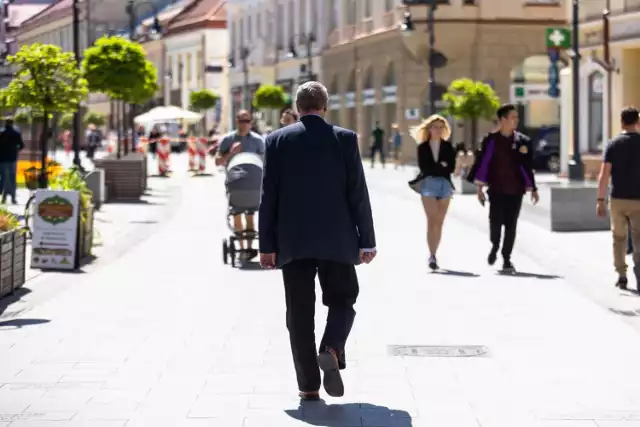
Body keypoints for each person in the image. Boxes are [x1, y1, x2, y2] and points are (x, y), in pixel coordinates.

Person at [259, 81, 376, 401]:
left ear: (297, 108)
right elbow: (358, 194)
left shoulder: (276, 140)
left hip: (291, 241)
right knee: (343, 299)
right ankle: (332, 346)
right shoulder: (345, 139)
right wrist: (366, 240)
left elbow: (268, 197)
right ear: (325, 107)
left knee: (298, 313)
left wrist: (266, 245)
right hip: (337, 240)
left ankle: (308, 385)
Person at [467, 104, 539, 273]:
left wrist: (533, 188)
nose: (516, 120)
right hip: (497, 189)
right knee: (495, 222)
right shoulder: (491, 140)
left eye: (517, 117)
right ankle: (495, 245)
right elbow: (483, 164)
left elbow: (527, 167)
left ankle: (506, 258)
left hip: (516, 190)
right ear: (502, 120)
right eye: (512, 117)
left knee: (511, 225)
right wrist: (479, 189)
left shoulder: (523, 141)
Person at [596, 106, 640, 290]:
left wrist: (600, 200)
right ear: (637, 122)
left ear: (621, 122)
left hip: (618, 199)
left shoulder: (613, 144)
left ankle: (622, 275)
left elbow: (604, 174)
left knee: (619, 238)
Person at [408, 115, 456, 270]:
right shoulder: (422, 147)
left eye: (441, 127)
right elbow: (425, 168)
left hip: (445, 185)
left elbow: (451, 168)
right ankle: (431, 255)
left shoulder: (448, 147)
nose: (438, 130)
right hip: (428, 185)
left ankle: (435, 253)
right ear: (429, 129)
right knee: (432, 220)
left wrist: (439, 166)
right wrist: (440, 166)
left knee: (440, 222)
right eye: (435, 127)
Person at [217, 110, 265, 258]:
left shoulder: (258, 141)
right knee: (237, 214)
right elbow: (218, 161)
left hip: (254, 183)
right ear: (236, 121)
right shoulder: (228, 139)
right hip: (235, 183)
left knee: (250, 215)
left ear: (251, 122)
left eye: (247, 121)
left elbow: (265, 162)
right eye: (241, 121)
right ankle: (242, 247)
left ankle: (249, 248)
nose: (244, 124)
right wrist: (231, 153)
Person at [0, 118, 25, 204]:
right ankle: (13, 198)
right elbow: (21, 145)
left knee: (3, 177)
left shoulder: (1, 132)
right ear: (12, 123)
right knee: (12, 178)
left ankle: (3, 197)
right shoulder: (16, 133)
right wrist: (16, 150)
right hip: (12, 158)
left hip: (2, 158)